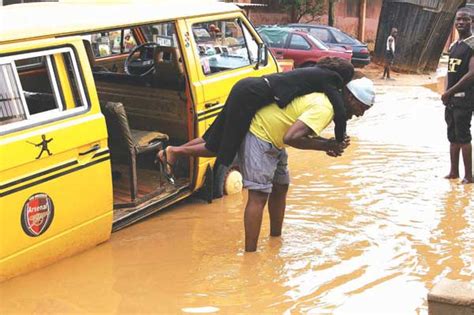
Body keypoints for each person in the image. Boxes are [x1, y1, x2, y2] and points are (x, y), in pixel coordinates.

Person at [157, 57, 355, 191]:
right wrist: (338, 140)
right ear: (342, 78)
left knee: (212, 138)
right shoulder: (332, 79)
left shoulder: (317, 71)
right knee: (220, 148)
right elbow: (339, 111)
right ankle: (175, 152)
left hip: (247, 89)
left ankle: (171, 151)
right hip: (251, 95)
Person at [239, 77, 375, 251]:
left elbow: (297, 135)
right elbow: (292, 138)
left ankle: (275, 240)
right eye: (361, 108)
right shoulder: (325, 108)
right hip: (262, 134)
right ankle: (250, 255)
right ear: (350, 98)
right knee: (258, 195)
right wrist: (326, 145)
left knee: (281, 186)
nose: (360, 114)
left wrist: (327, 144)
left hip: (276, 139)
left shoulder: (328, 104)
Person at [441, 7, 474, 184]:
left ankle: (469, 176)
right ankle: (454, 172)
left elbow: (471, 74)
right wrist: (445, 92)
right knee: (452, 136)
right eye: (458, 20)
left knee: (463, 136)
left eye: (465, 19)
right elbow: (449, 72)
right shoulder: (454, 46)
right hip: (451, 99)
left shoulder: (473, 44)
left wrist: (449, 92)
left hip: (465, 98)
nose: (460, 22)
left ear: (472, 22)